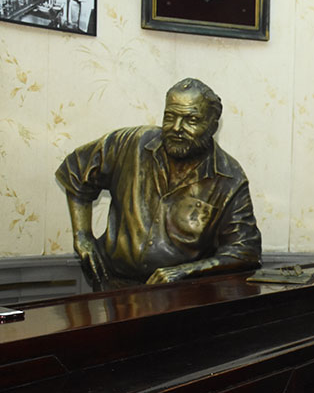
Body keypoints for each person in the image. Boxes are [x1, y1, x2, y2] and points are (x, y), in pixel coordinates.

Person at [56, 78, 262, 290]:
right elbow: (76, 170)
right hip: (112, 286)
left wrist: (184, 272)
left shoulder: (229, 178)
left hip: (181, 298)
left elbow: (245, 250)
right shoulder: (132, 143)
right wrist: (82, 235)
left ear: (212, 126)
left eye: (191, 119)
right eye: (170, 117)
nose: (176, 128)